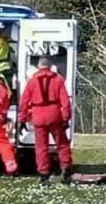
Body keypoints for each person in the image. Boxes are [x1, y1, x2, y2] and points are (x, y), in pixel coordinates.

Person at [19, 56, 73, 185]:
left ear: (38, 66)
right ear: (50, 66)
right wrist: (66, 117)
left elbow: (24, 101)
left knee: (41, 147)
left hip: (38, 115)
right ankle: (65, 169)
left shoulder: (32, 81)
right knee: (62, 144)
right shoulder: (58, 80)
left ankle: (44, 174)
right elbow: (65, 101)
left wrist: (23, 118)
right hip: (55, 114)